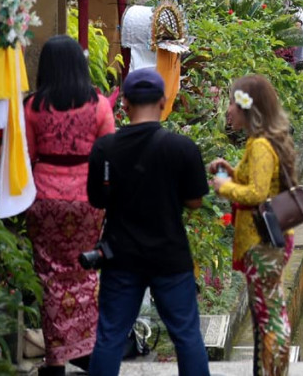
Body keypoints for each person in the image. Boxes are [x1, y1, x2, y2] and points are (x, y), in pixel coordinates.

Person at [86, 69, 210, 376]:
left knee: (110, 336)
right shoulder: (182, 148)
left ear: (125, 103)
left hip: (121, 256)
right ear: (163, 102)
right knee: (186, 335)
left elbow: (97, 200)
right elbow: (195, 201)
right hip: (170, 255)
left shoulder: (104, 149)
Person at [26, 36, 116, 376]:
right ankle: (88, 349)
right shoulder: (99, 106)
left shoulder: (32, 107)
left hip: (45, 198)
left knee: (49, 276)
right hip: (87, 199)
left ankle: (55, 360)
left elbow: (26, 156)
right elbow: (109, 155)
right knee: (85, 271)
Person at [208, 76, 296, 376]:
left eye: (233, 103)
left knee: (270, 315)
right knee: (267, 312)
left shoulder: (259, 145)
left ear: (248, 107)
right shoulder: (261, 141)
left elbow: (258, 194)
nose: (228, 109)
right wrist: (232, 172)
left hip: (262, 240)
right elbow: (263, 184)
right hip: (266, 237)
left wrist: (225, 187)